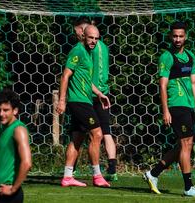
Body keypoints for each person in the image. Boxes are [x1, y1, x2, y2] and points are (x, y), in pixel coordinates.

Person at [143, 21, 195, 197]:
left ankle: (153, 173)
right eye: (175, 36)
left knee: (184, 145)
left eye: (181, 36)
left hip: (189, 106)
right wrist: (165, 110)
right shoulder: (167, 57)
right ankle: (188, 187)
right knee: (186, 144)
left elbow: (194, 83)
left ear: (185, 37)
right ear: (170, 37)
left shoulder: (191, 56)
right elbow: (162, 85)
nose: (178, 39)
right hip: (176, 105)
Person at [56, 24, 111, 187]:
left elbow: (87, 80)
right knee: (97, 134)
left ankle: (67, 177)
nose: (93, 41)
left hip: (85, 99)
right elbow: (65, 76)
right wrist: (61, 100)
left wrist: (100, 94)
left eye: (96, 38)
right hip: (78, 101)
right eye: (91, 37)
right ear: (83, 36)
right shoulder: (78, 51)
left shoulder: (88, 54)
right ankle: (97, 176)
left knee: (77, 138)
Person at [71, 17, 118, 181]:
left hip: (88, 94)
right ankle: (112, 169)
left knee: (80, 133)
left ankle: (73, 170)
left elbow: (83, 72)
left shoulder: (86, 49)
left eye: (78, 29)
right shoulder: (104, 47)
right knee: (106, 132)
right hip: (103, 92)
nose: (78, 33)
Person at [0, 89, 32, 203]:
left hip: (9, 195)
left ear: (15, 110)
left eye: (6, 110)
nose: (1, 114)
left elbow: (27, 163)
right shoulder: (5, 129)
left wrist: (13, 189)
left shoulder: (18, 130)